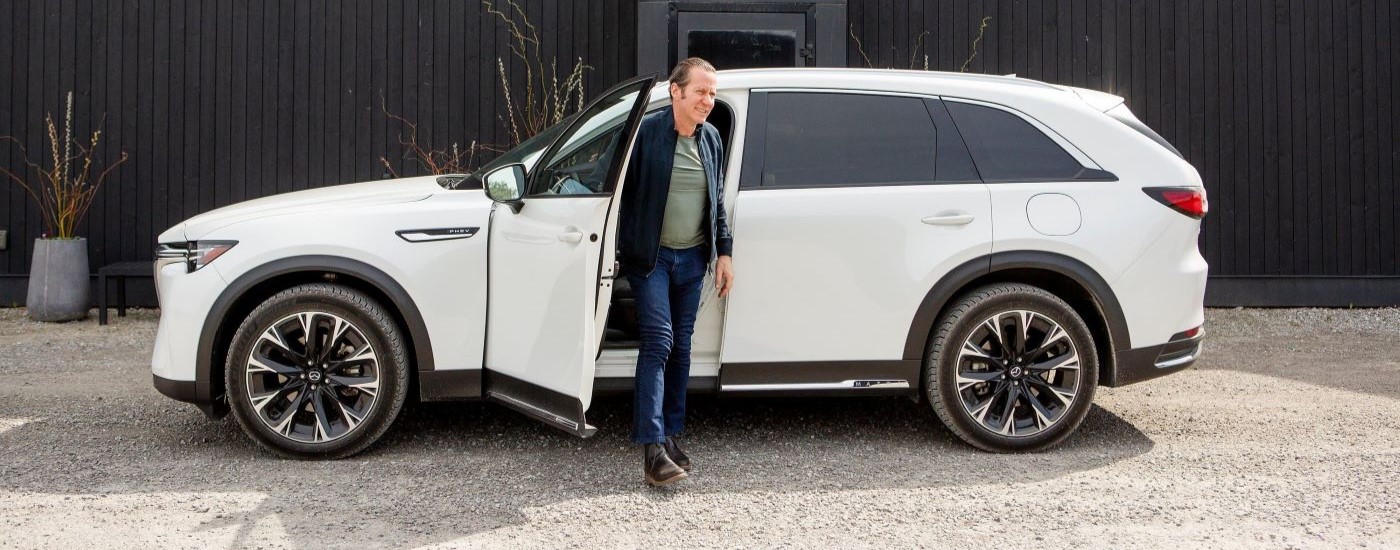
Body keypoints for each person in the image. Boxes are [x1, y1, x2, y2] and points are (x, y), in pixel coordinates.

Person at [617, 57, 734, 487]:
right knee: (659, 341)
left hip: (693, 260)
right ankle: (651, 451)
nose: (708, 100)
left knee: (681, 348)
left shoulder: (712, 140)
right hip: (652, 260)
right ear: (676, 92)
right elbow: (622, 196)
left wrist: (725, 253)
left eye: (712, 93)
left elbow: (717, 202)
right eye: (701, 91)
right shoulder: (646, 134)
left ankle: (671, 434)